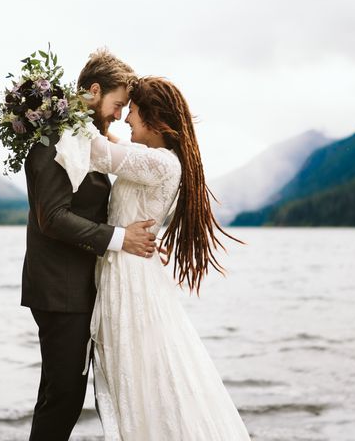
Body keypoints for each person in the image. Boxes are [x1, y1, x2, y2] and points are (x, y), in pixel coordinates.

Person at [85, 76, 251, 440]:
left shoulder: (160, 164)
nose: (126, 118)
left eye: (133, 111)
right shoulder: (158, 160)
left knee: (143, 376)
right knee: (141, 374)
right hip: (128, 272)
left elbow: (96, 151)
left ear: (154, 117)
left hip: (130, 278)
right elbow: (112, 147)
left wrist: (59, 111)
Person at [21, 48, 159, 441]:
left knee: (63, 394)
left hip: (73, 288)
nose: (119, 114)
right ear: (94, 91)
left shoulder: (82, 140)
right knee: (62, 397)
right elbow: (53, 217)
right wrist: (120, 239)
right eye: (117, 104)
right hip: (58, 289)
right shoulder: (54, 140)